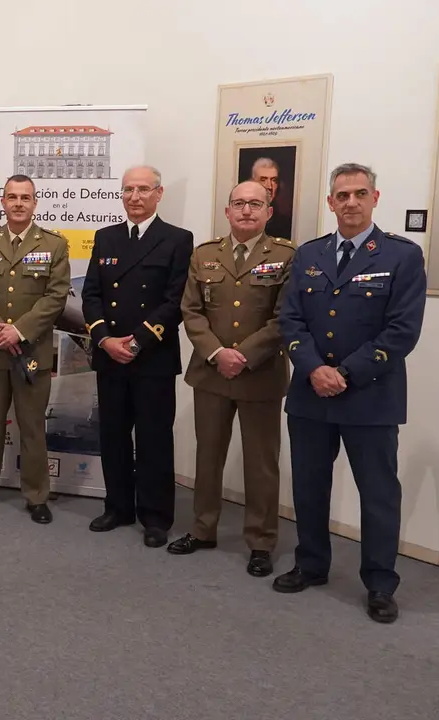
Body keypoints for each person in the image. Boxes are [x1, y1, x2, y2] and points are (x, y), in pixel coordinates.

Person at [273, 162, 426, 624]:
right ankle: (311, 563)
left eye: (360, 194)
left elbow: (402, 330)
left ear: (375, 199)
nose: (351, 202)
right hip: (310, 394)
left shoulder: (401, 256)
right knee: (308, 487)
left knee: (378, 495)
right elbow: (291, 319)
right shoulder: (310, 254)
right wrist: (314, 369)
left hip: (370, 396)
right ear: (330, 202)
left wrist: (345, 373)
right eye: (342, 195)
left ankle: (380, 582)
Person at [170, 180, 295, 577]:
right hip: (211, 373)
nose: (246, 210)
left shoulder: (286, 255)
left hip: (260, 375)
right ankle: (202, 528)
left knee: (261, 464)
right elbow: (191, 311)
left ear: (268, 212)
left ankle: (261, 541)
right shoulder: (205, 254)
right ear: (227, 211)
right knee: (207, 457)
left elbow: (285, 317)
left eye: (255, 204)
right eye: (239, 203)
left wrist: (244, 356)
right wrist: (217, 353)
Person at [81, 165, 193, 547]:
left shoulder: (177, 239)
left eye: (144, 189)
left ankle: (155, 516)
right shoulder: (106, 237)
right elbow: (91, 294)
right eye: (128, 189)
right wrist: (104, 339)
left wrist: (137, 342)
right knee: (112, 435)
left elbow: (175, 300)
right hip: (110, 355)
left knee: (153, 439)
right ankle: (117, 507)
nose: (135, 197)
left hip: (152, 357)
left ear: (159, 194)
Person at [0, 174, 70, 524]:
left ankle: (36, 495)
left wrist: (19, 331)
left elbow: (56, 296)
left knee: (32, 425)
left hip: (31, 351)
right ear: (3, 201)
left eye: (25, 197)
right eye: (12, 197)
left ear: (35, 203)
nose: (18, 203)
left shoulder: (54, 244)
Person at [251, 157, 293, 242]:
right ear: (252, 182)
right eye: (263, 180)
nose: (269, 186)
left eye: (274, 180)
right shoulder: (243, 216)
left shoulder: (285, 223)